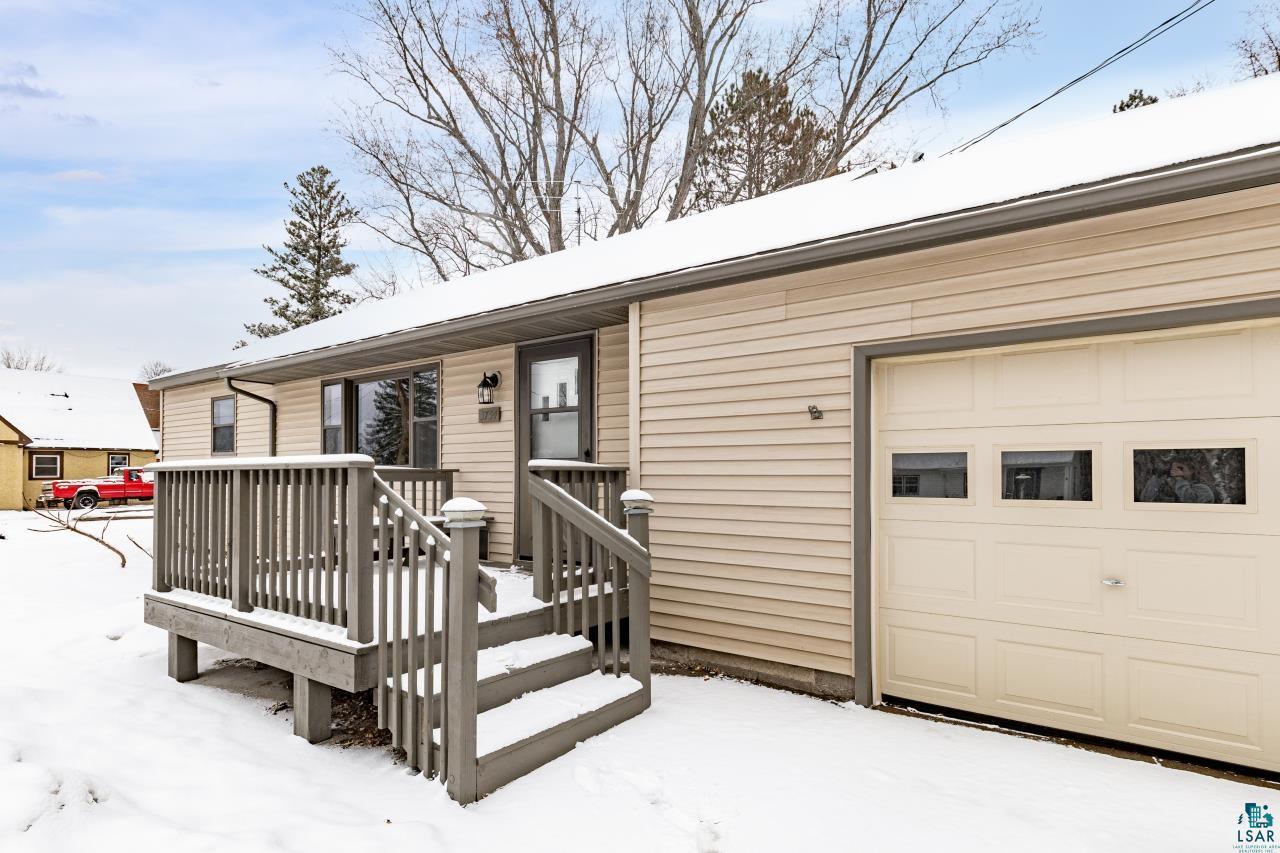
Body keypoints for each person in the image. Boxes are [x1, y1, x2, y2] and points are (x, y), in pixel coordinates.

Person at [1138, 455, 1216, 503]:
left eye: (1180, 468)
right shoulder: (1170, 487)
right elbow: (1145, 499)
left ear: (1192, 470)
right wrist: (1157, 478)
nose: (1175, 471)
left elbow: (1189, 501)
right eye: (1173, 469)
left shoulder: (1203, 489)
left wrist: (1180, 479)